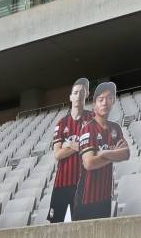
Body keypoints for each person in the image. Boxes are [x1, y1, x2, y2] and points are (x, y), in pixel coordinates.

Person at [78, 82, 129, 220]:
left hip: (105, 196)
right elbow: (89, 163)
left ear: (113, 102)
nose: (105, 103)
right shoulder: (88, 129)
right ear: (94, 104)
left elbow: (126, 154)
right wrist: (113, 154)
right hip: (86, 197)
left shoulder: (116, 128)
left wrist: (104, 153)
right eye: (101, 99)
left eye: (109, 98)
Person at [49, 78, 94, 223]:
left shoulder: (93, 119)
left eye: (82, 92)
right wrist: (79, 145)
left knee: (83, 226)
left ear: (87, 94)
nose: (79, 95)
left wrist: (69, 145)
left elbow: (93, 150)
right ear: (70, 96)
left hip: (85, 183)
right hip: (62, 183)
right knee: (56, 226)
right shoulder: (62, 123)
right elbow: (57, 154)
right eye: (75, 92)